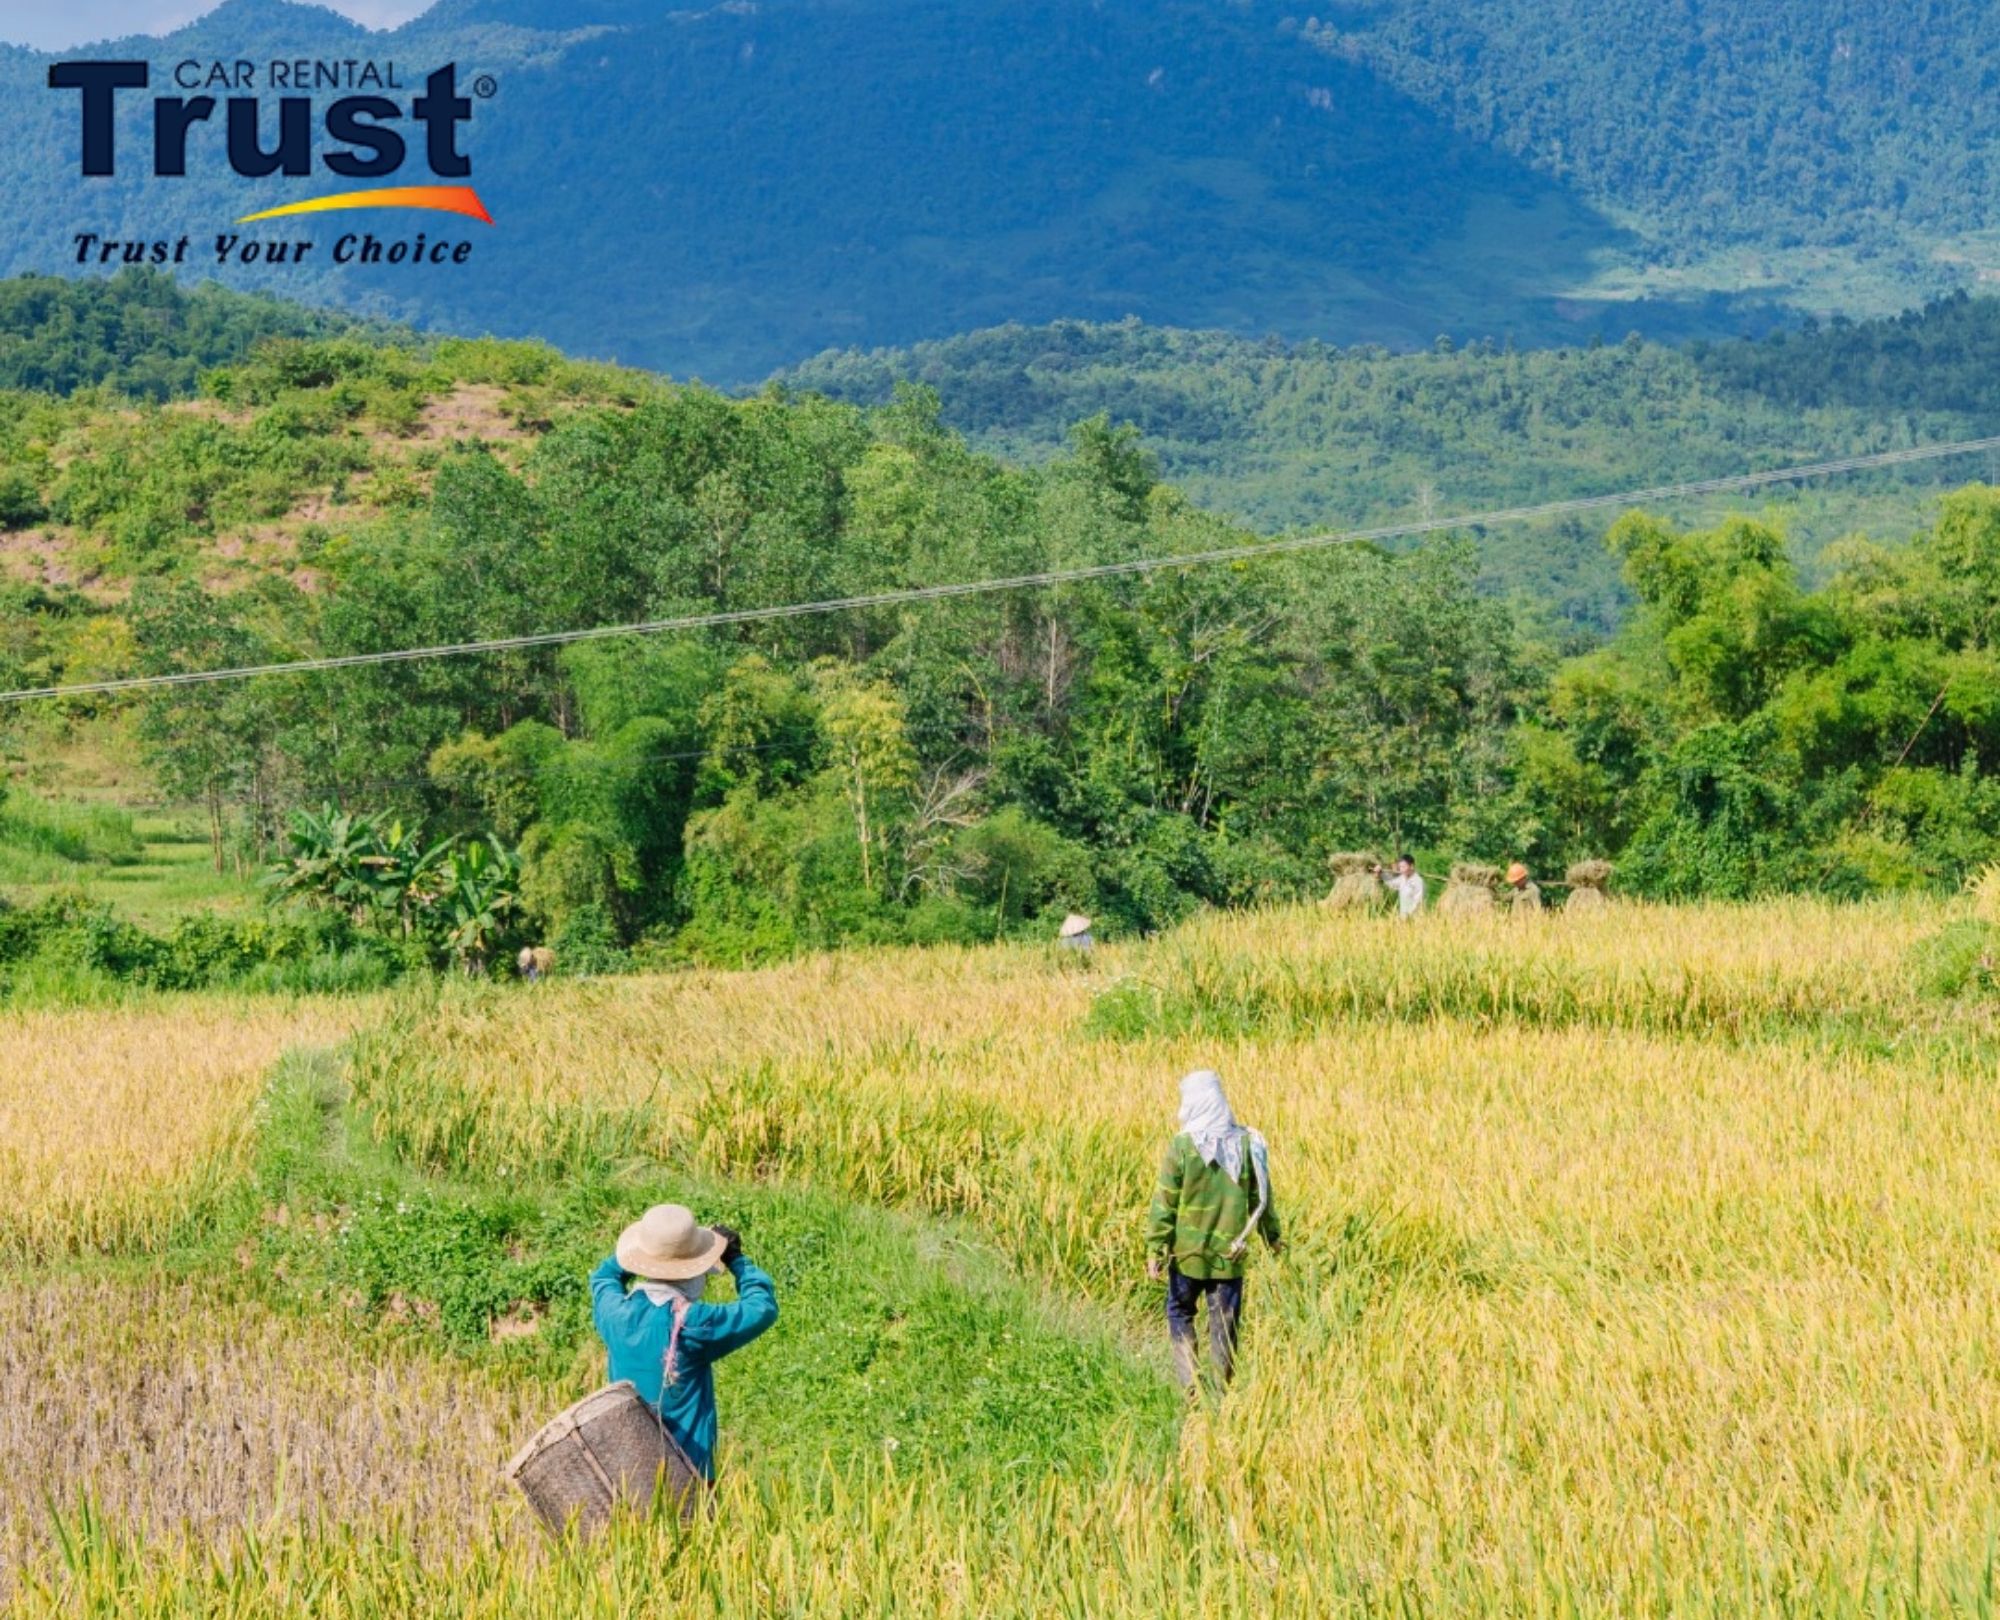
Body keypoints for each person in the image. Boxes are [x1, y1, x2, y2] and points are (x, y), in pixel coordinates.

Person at [590, 1203, 778, 1483]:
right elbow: (761, 1307)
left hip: (631, 1473)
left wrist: (645, 1249)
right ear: (694, 1272)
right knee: (695, 1514)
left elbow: (604, 1276)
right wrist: (736, 1260)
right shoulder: (692, 1323)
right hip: (688, 1471)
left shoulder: (613, 1312)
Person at [1146, 1070, 1282, 1393]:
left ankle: (1191, 1389)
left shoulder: (1183, 1146)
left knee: (1180, 1312)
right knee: (1225, 1322)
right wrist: (1273, 1237)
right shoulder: (1246, 1144)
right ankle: (1221, 1394)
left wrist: (1155, 1248)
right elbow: (1261, 1197)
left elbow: (1164, 1201)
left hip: (1187, 1255)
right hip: (1229, 1257)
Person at [1376, 853, 1425, 919]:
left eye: (1403, 867)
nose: (1401, 870)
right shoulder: (1402, 878)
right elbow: (1391, 883)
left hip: (1415, 918)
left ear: (1411, 866)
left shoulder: (1418, 881)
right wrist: (1381, 873)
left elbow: (1418, 902)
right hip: (1403, 917)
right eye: (1400, 867)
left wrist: (1408, 916)